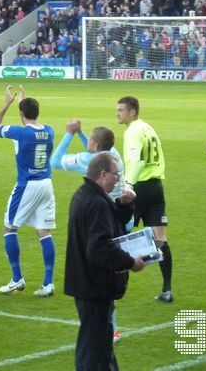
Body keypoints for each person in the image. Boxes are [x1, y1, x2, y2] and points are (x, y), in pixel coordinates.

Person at [64, 153, 145, 371]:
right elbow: (99, 247)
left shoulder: (85, 195)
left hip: (87, 284)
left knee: (100, 347)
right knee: (94, 350)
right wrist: (130, 262)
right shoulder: (96, 202)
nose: (118, 179)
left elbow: (108, 222)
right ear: (102, 174)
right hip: (94, 287)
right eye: (115, 175)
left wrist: (124, 206)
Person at [51, 119, 128, 342]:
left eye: (90, 141)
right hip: (121, 217)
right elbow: (97, 151)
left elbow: (55, 161)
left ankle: (110, 329)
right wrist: (83, 135)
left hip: (104, 219)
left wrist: (69, 134)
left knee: (100, 272)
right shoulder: (112, 154)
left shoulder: (90, 160)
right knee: (112, 273)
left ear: (94, 146)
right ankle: (111, 326)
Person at [0, 85, 56, 297]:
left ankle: (17, 279)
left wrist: (7, 103)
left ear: (21, 114)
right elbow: (30, 126)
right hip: (46, 185)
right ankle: (48, 284)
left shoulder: (19, 133)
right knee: (44, 232)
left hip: (27, 185)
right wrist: (24, 102)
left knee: (9, 229)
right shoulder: (49, 130)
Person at [116, 96, 173, 302]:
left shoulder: (132, 132)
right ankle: (167, 289)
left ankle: (114, 283)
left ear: (132, 112)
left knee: (119, 233)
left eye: (121, 110)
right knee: (160, 239)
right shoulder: (148, 128)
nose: (117, 114)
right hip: (156, 187)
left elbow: (137, 161)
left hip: (139, 187)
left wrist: (129, 185)